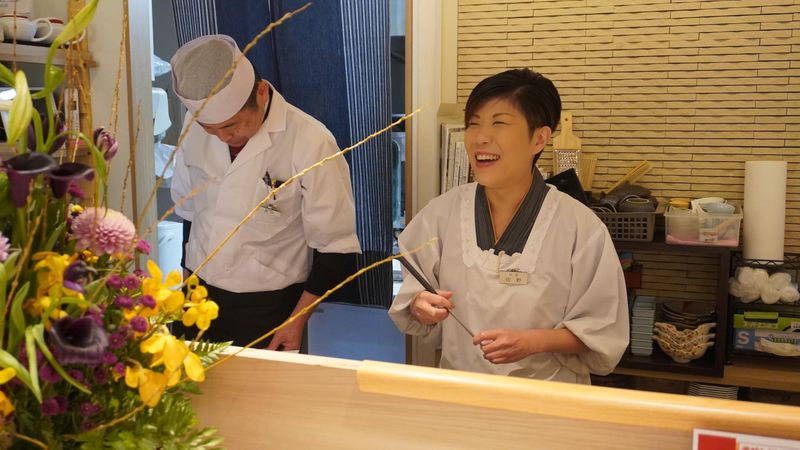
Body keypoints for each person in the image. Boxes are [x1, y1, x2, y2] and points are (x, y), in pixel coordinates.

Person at [389, 69, 629, 384]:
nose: (480, 137)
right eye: (473, 123)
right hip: (461, 391)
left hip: (546, 399)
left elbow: (602, 329)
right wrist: (420, 304)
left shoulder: (580, 227)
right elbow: (413, 294)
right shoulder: (441, 214)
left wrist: (534, 342)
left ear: (539, 138)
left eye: (499, 123)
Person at [170, 35, 361, 350]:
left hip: (269, 308)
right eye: (210, 129)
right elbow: (190, 213)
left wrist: (296, 321)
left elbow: (336, 250)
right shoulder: (195, 126)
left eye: (232, 125)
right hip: (198, 296)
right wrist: (186, 282)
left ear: (261, 93)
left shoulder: (311, 141)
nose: (222, 137)